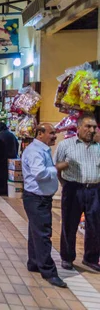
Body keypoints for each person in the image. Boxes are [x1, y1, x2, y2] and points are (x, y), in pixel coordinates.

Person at [22, 123, 68, 288]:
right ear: (40, 133)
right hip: (37, 199)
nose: (55, 136)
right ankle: (49, 272)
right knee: (43, 234)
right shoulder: (35, 151)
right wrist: (57, 168)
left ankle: (34, 262)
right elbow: (40, 173)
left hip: (38, 198)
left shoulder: (41, 149)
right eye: (52, 133)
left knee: (35, 231)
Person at [56, 114, 100, 272]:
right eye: (88, 127)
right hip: (73, 189)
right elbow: (57, 168)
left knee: (95, 225)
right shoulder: (66, 145)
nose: (92, 130)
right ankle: (67, 257)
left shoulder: (98, 146)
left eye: (94, 127)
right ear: (79, 128)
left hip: (95, 189)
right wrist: (66, 185)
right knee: (69, 224)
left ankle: (91, 258)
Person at [0, 122, 19, 196]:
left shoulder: (0, 136)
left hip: (1, 159)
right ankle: (7, 190)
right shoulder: (11, 135)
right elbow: (17, 144)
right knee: (8, 176)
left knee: (0, 175)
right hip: (11, 158)